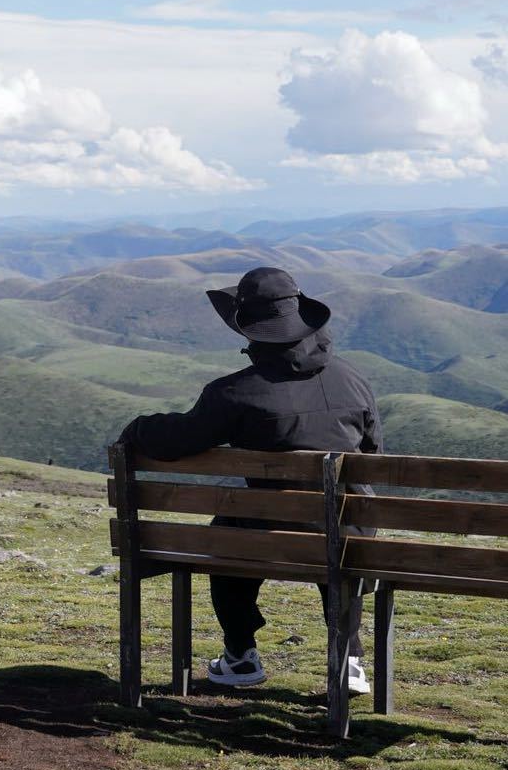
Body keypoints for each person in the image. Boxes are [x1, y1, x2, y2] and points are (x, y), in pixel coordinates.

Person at [118, 267, 381, 694]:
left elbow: (176, 440)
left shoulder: (234, 393)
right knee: (333, 536)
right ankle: (349, 658)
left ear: (251, 329)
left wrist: (138, 428)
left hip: (265, 532)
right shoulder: (353, 380)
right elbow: (373, 455)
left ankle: (240, 656)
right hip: (350, 532)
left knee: (229, 534)